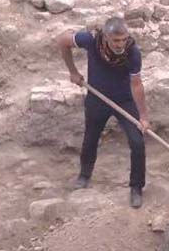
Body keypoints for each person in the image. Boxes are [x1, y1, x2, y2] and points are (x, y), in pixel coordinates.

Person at [56, 17, 150, 209]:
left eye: (123, 39)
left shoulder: (132, 52)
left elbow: (137, 84)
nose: (120, 44)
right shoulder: (91, 40)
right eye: (116, 40)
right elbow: (62, 40)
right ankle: (84, 175)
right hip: (97, 98)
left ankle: (136, 187)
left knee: (137, 142)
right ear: (106, 37)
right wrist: (73, 72)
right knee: (91, 138)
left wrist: (143, 117)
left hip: (124, 101)